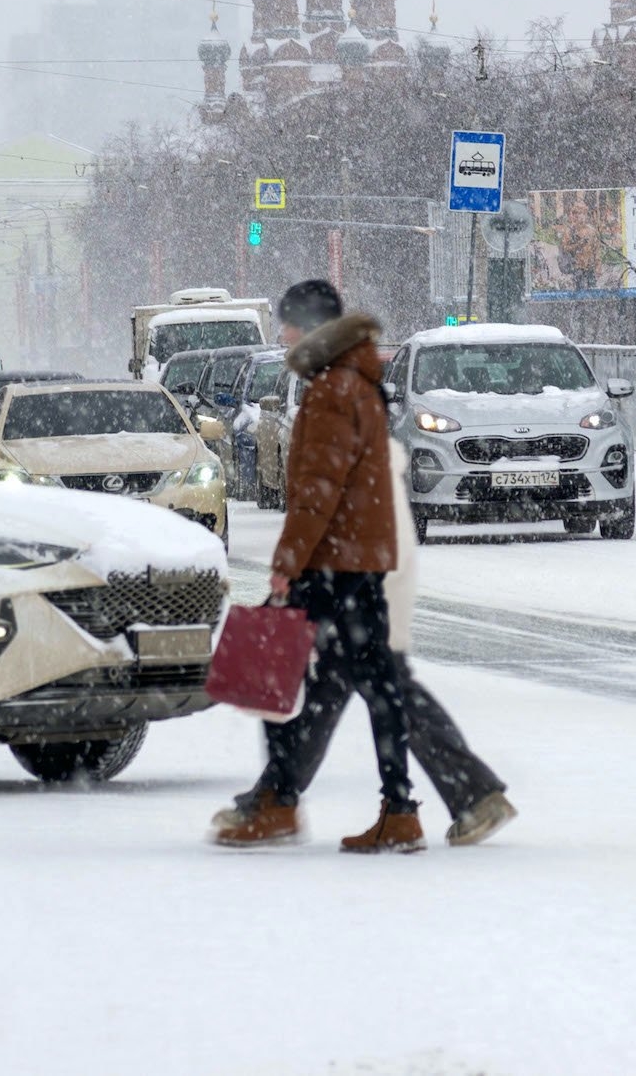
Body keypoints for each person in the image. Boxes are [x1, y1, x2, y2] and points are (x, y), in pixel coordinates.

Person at [210, 279, 513, 853]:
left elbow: (318, 489)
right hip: (360, 561)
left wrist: (288, 562)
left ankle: (312, 805)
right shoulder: (361, 384)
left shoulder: (330, 391)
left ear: (308, 328)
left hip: (333, 564)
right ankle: (326, 802)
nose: (282, 334)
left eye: (287, 324)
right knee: (350, 685)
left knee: (289, 678)